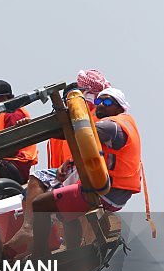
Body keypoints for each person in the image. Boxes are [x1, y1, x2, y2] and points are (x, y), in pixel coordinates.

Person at [27, 88, 142, 256]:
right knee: (66, 214)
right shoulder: (126, 123)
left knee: (39, 204)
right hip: (116, 193)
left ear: (119, 107)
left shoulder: (111, 126)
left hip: (106, 191)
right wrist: (70, 162)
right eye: (99, 101)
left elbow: (76, 134)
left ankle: (39, 255)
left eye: (108, 102)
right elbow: (91, 148)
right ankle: (74, 253)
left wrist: (50, 124)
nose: (101, 104)